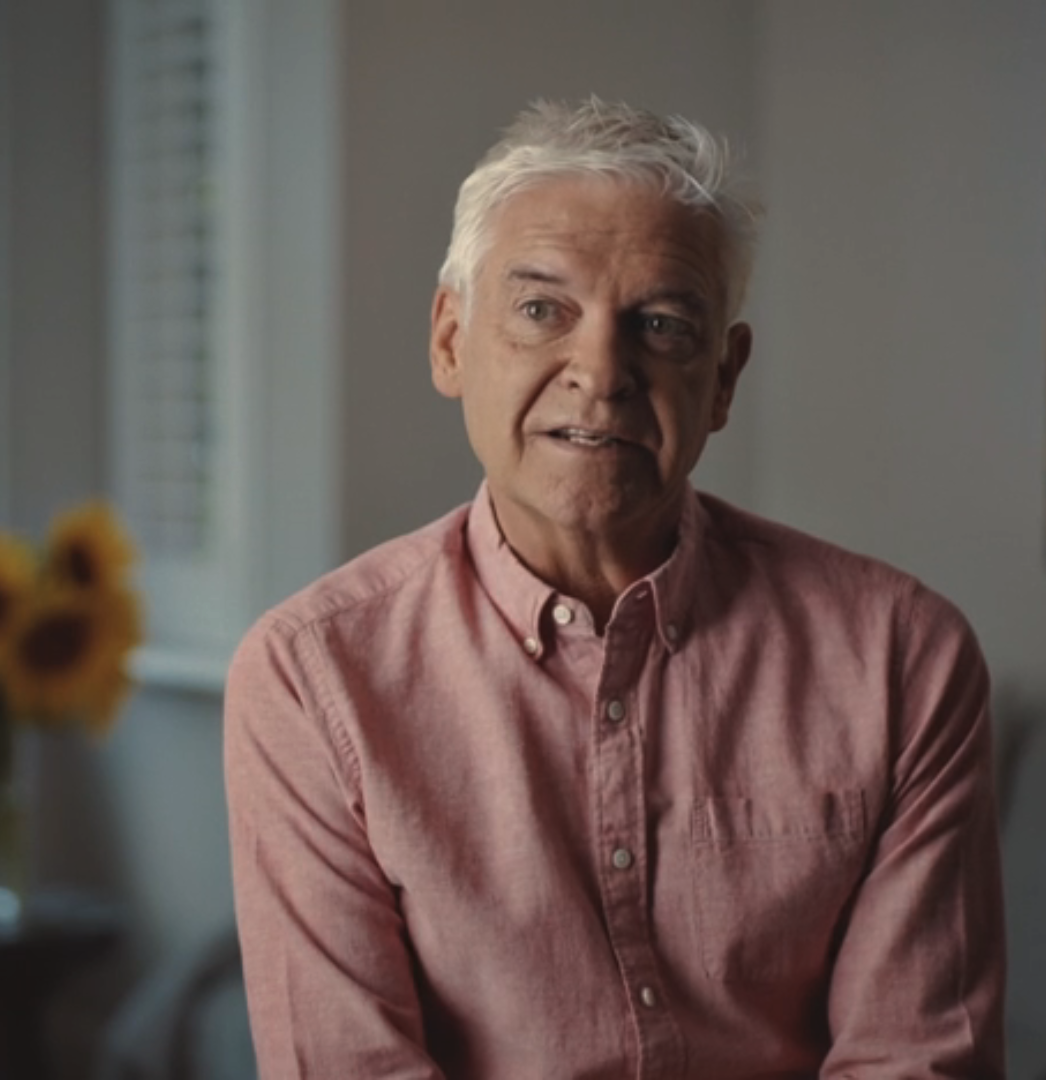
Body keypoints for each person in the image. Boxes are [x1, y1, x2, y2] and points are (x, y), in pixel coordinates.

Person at [223, 98, 1004, 1079]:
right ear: (451, 341)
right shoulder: (312, 679)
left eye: (663, 325)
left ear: (723, 378)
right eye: (543, 310)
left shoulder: (903, 657)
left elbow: (917, 1060)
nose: (600, 372)